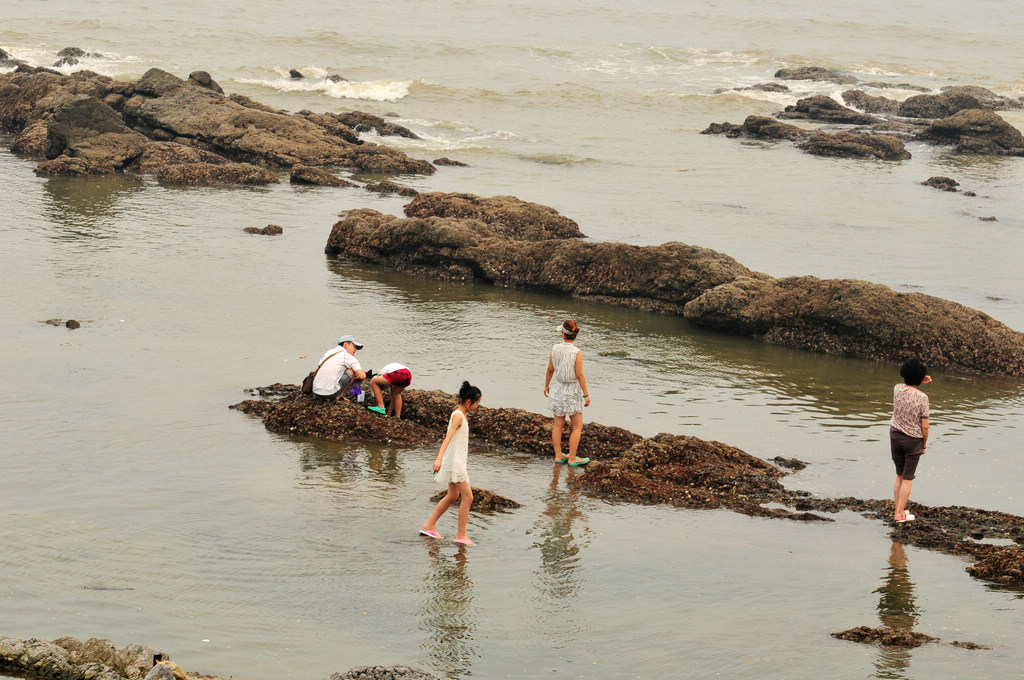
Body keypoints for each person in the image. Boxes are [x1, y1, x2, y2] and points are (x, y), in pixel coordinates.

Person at [421, 381, 483, 546]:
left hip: (457, 460)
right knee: (468, 497)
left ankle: (429, 525)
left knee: (453, 495)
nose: (478, 406)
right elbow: (447, 438)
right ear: (468, 401)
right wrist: (439, 458)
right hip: (455, 462)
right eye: (477, 403)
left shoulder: (460, 415)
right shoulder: (458, 416)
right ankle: (461, 535)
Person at [889, 357, 932, 523]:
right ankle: (899, 515)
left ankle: (897, 510)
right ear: (921, 378)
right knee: (908, 478)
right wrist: (924, 445)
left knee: (899, 475)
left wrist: (920, 379)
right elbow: (925, 426)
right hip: (913, 439)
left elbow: (909, 384)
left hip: (895, 435)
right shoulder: (923, 398)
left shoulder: (897, 388)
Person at [544, 319, 591, 467]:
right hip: (572, 390)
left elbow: (550, 369)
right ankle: (572, 458)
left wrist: (546, 385)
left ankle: (558, 456)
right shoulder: (577, 352)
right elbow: (580, 375)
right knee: (577, 427)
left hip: (558, 388)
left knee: (558, 425)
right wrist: (586, 394)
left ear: (563, 334)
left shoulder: (555, 348)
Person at [311, 334, 367, 400]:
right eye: (354, 346)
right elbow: (363, 376)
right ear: (346, 344)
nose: (355, 349)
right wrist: (355, 378)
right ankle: (339, 396)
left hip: (315, 391)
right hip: (330, 393)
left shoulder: (329, 352)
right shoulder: (347, 356)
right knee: (352, 370)